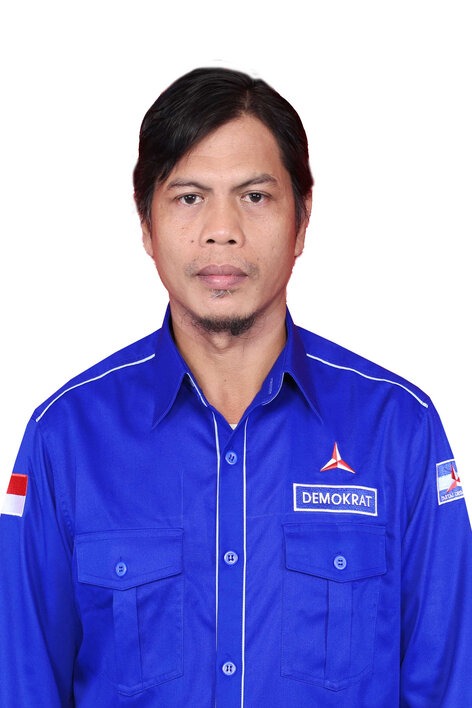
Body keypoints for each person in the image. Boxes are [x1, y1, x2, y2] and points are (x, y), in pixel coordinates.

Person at [0, 67, 470, 708]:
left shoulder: (400, 429)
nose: (222, 229)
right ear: (146, 224)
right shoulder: (65, 437)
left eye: (254, 196)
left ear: (302, 219)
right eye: (189, 198)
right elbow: (23, 684)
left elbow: (448, 685)